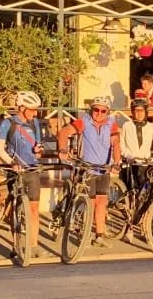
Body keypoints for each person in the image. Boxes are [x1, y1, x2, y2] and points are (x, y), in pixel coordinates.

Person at [57, 95, 122, 248]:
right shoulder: (84, 121)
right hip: (87, 168)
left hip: (103, 169)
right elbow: (64, 132)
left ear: (107, 112)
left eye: (103, 111)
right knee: (91, 203)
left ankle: (99, 235)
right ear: (91, 109)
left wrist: (117, 162)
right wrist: (63, 148)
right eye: (96, 110)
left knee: (102, 202)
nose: (99, 113)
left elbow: (116, 144)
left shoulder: (111, 124)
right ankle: (85, 234)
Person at [0, 91, 45, 258]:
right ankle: (16, 245)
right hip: (15, 169)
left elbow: (38, 146)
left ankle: (33, 244)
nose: (35, 113)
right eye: (32, 109)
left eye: (36, 109)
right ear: (22, 108)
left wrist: (38, 150)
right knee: (16, 208)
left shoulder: (35, 123)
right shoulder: (8, 124)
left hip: (32, 169)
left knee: (34, 209)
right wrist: (11, 163)